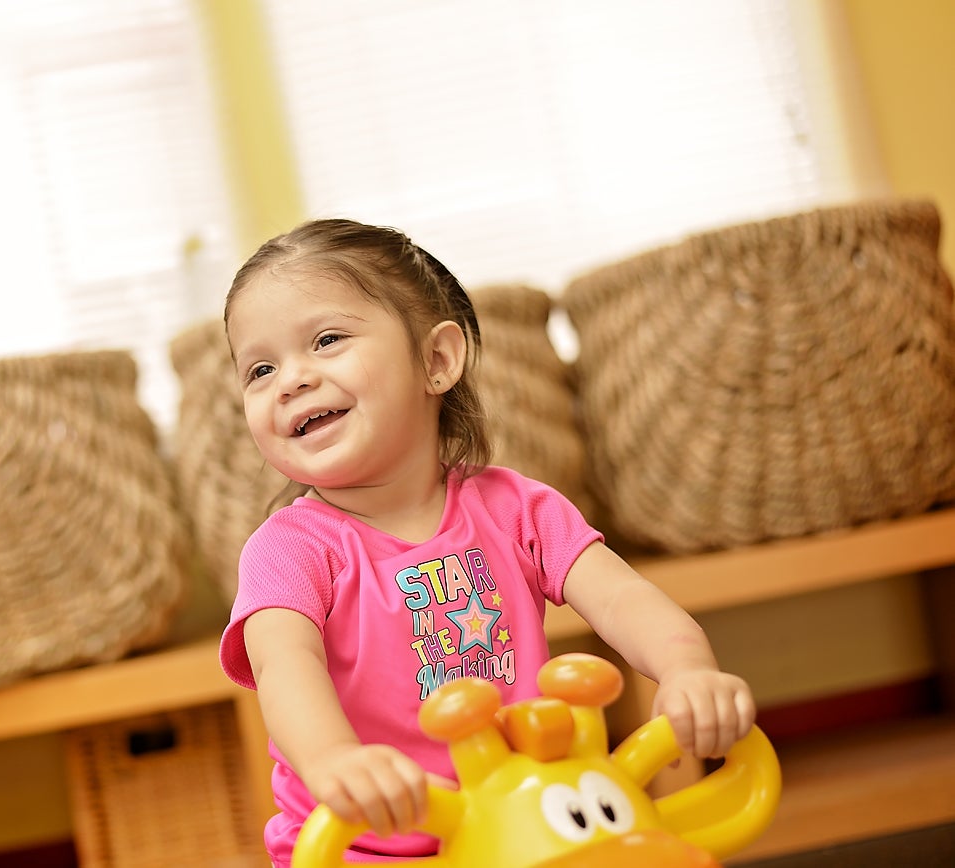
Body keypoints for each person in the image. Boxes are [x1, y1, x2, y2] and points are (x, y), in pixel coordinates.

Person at [218, 218, 755, 866]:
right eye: (260, 369)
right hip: (366, 847)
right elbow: (285, 667)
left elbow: (621, 599)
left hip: (520, 827)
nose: (290, 380)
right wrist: (336, 760)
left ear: (436, 360)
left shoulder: (515, 508)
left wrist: (687, 671)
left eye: (327, 340)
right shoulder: (287, 551)